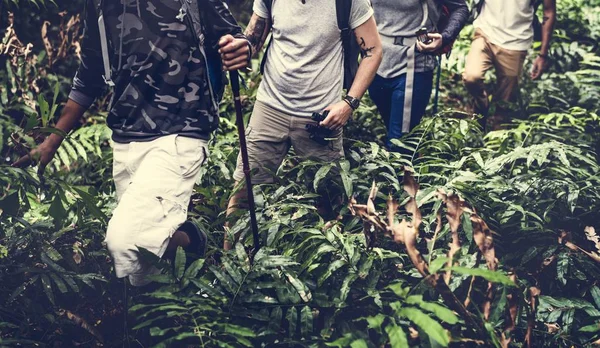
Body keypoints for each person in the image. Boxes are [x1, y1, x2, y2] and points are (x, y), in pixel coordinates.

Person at [13, 0, 251, 286]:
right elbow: (90, 74)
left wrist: (238, 48)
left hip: (182, 130)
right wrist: (52, 141)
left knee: (124, 242)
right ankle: (183, 253)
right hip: (125, 136)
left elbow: (235, 37)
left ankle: (192, 245)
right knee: (138, 271)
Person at [221, 0, 383, 250]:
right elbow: (253, 40)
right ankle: (231, 268)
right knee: (244, 194)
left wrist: (349, 103)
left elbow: (373, 50)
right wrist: (240, 47)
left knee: (329, 203)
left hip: (320, 117)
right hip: (270, 107)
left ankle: (328, 271)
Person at [368, 0, 468, 152]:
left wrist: (445, 37)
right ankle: (409, 164)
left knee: (398, 142)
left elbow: (460, 8)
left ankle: (402, 167)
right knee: (396, 129)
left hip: (413, 64)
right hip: (376, 61)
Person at [463, 0, 556, 131]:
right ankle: (481, 106)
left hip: (516, 41)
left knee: (505, 102)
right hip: (485, 32)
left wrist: (543, 55)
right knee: (471, 77)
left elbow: (549, 11)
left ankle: (495, 142)